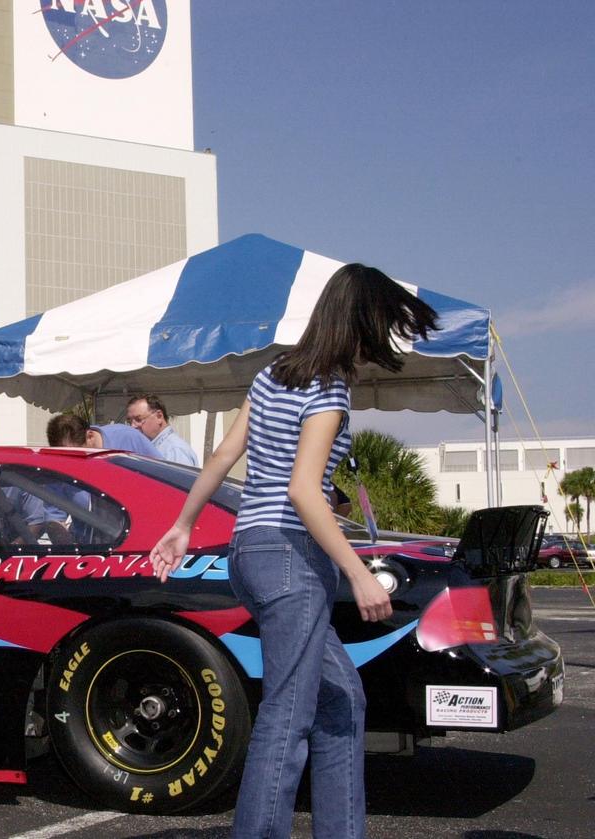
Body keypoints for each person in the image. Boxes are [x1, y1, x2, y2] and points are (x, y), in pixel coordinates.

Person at [148, 263, 438, 839]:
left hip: (249, 553)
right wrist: (358, 572)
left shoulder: (271, 374)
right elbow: (304, 492)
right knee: (289, 712)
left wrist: (183, 524)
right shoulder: (328, 390)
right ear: (360, 325)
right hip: (290, 556)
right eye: (380, 327)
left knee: (341, 698)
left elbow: (223, 457)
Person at [125, 394, 199, 466]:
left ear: (159, 416)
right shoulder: (153, 448)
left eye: (138, 419)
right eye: (129, 421)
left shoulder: (174, 450)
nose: (132, 426)